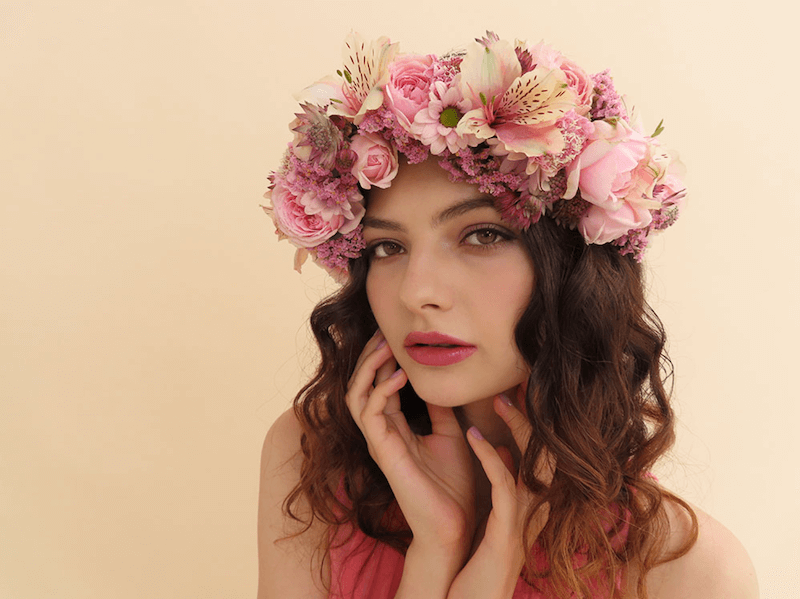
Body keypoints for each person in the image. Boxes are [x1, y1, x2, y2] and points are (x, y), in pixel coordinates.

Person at [256, 32, 758, 599]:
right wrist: (437, 549)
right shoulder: (315, 461)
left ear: (571, 266)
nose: (417, 293)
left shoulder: (687, 573)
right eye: (387, 248)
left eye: (483, 234)